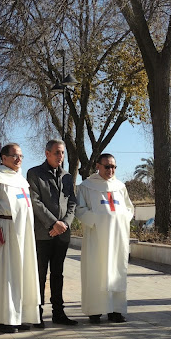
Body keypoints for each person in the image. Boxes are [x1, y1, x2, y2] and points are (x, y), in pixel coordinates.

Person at [0, 143, 40, 333]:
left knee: (21, 275)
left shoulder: (21, 180)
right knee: (4, 276)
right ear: (3, 158)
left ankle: (18, 316)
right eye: (14, 156)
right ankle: (1, 319)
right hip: (5, 233)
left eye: (21, 155)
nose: (18, 159)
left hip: (24, 235)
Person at [76, 153, 134, 324]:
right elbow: (79, 208)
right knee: (96, 272)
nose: (111, 170)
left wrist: (122, 218)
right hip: (97, 238)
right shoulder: (86, 186)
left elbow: (129, 208)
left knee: (117, 271)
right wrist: (97, 220)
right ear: (98, 166)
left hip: (117, 237)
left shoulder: (120, 186)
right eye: (107, 166)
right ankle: (95, 311)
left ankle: (115, 311)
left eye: (114, 167)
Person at [27, 139, 77, 327]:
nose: (60, 156)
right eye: (57, 153)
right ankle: (37, 313)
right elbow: (35, 201)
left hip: (62, 234)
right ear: (47, 153)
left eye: (62, 153)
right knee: (40, 274)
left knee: (58, 274)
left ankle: (59, 313)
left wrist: (64, 223)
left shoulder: (67, 176)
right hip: (43, 233)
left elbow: (72, 202)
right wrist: (53, 223)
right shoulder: (34, 174)